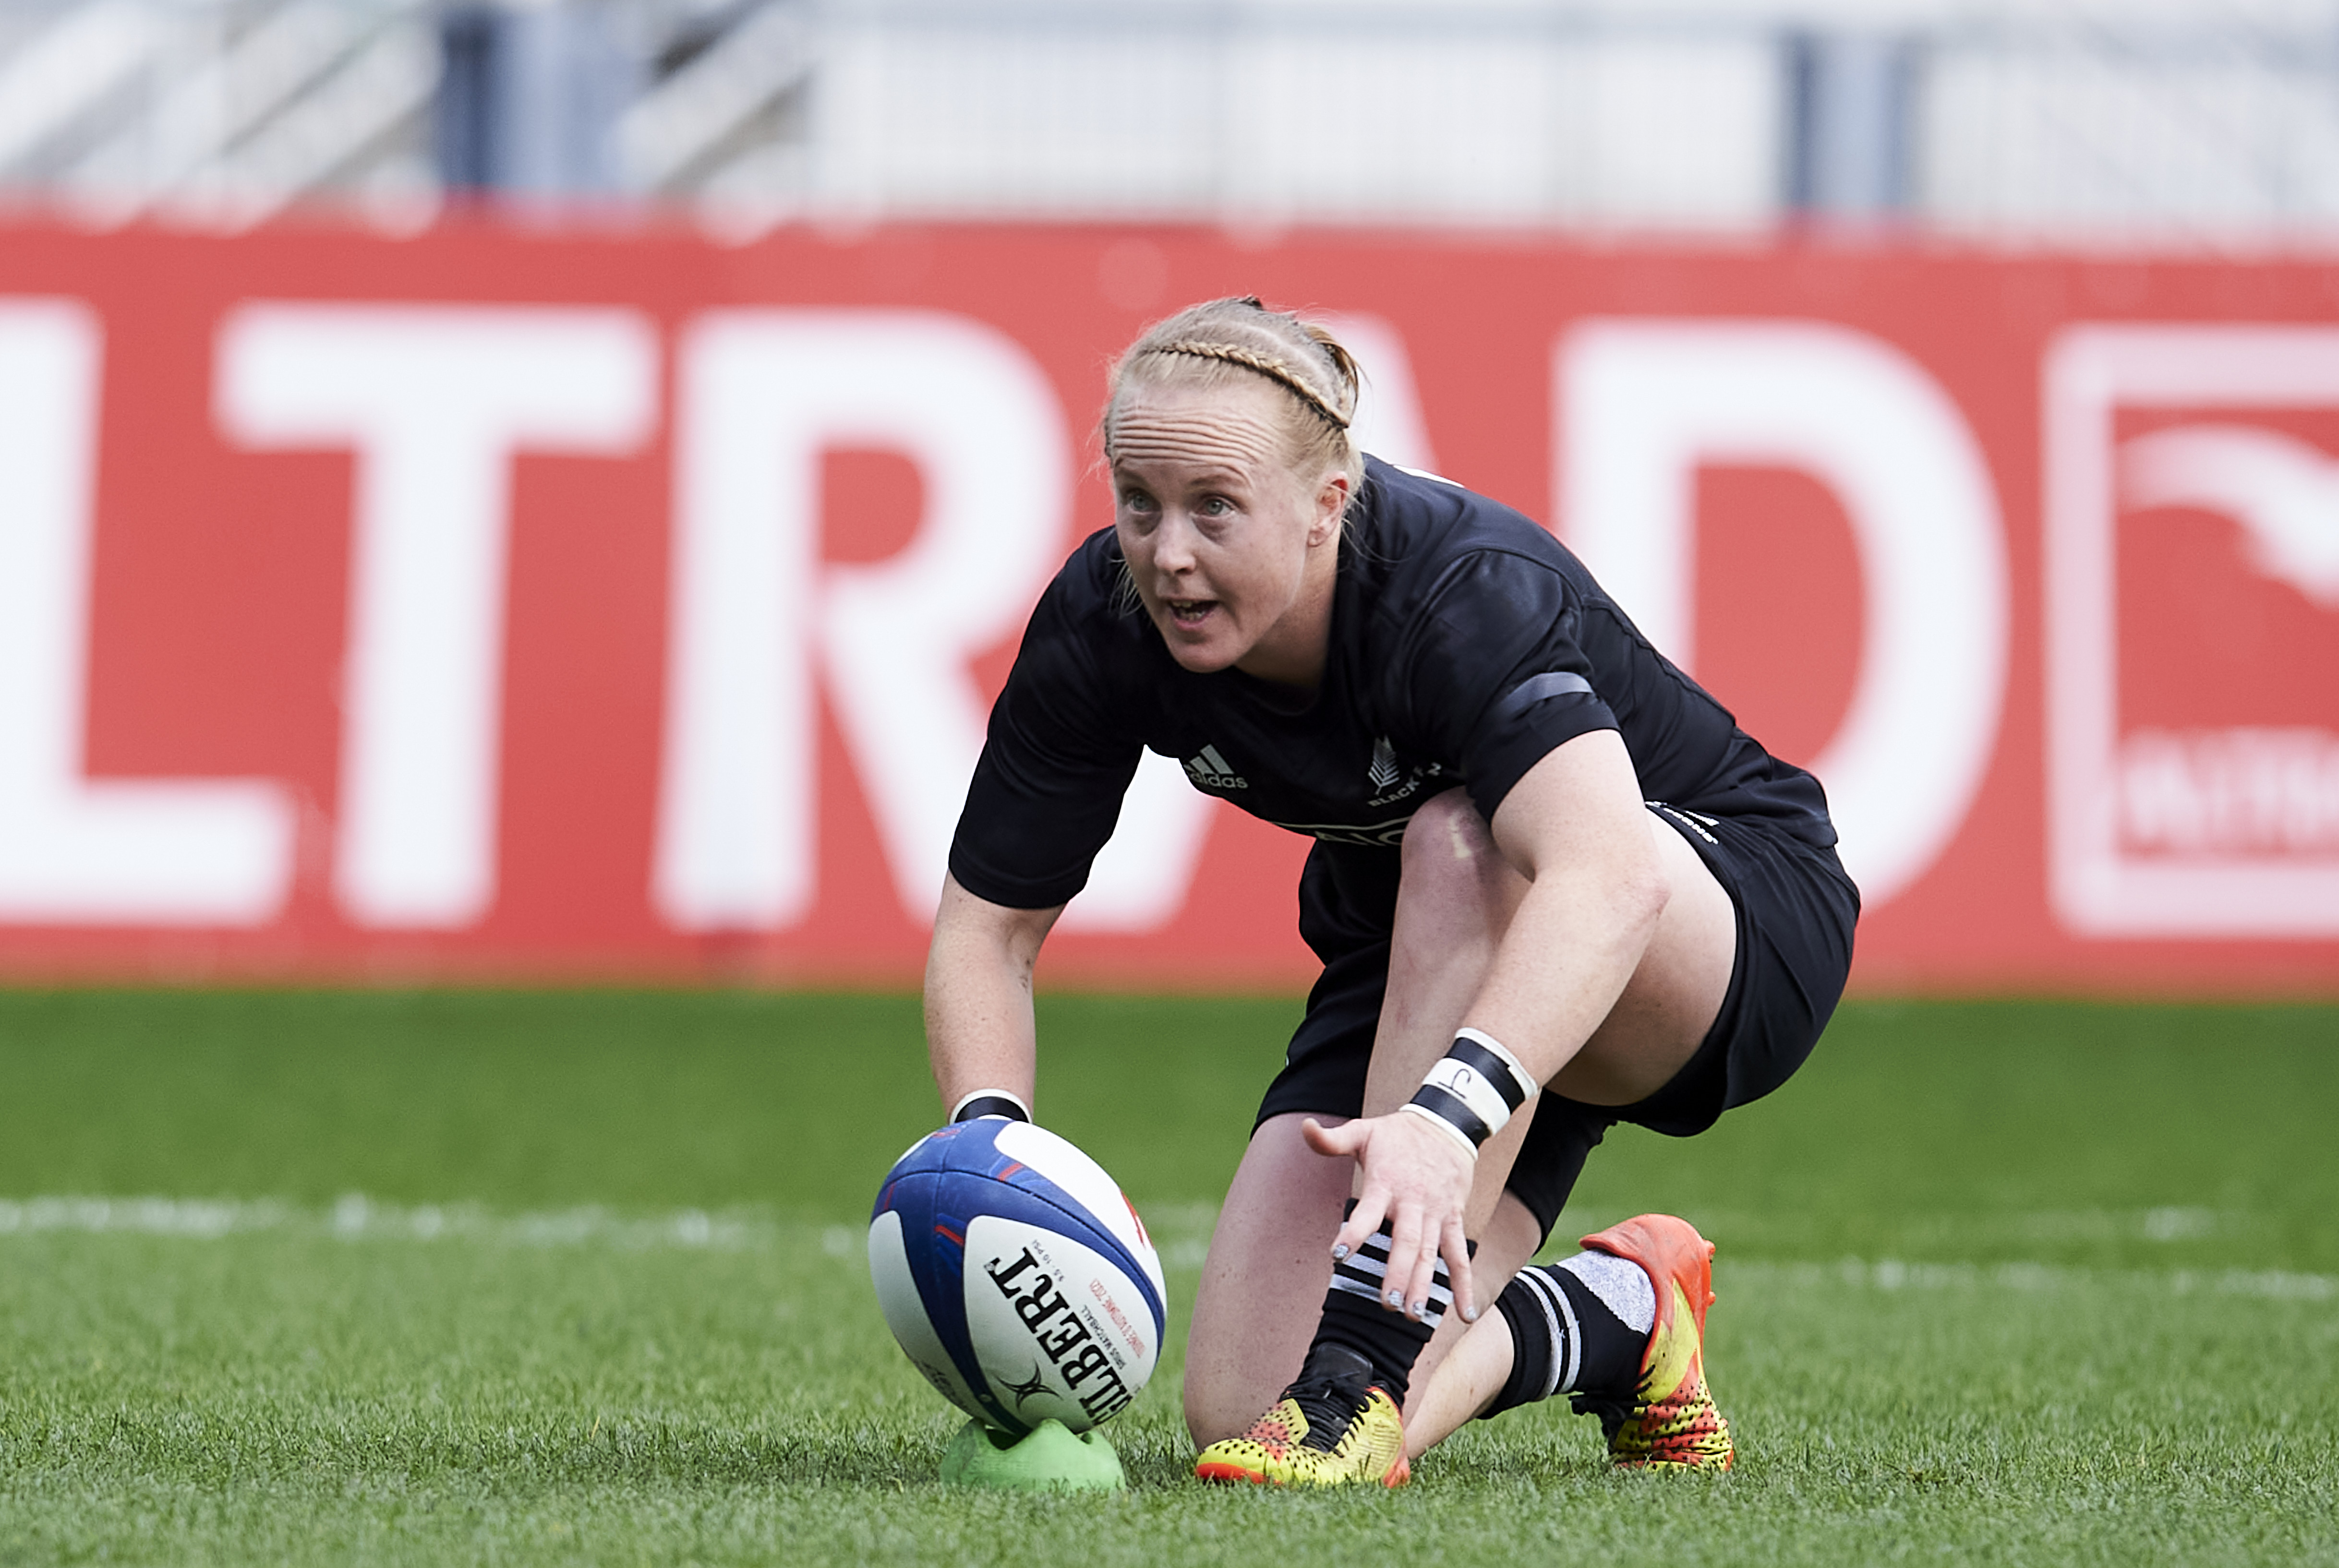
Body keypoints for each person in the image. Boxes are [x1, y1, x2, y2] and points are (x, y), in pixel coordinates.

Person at [925, 297, 1858, 1487]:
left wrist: (1441, 1118)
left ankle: (1356, 1376)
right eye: (1140, 501)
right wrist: (986, 1146)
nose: (1168, 553)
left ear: (1328, 505)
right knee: (1237, 1409)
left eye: (1216, 505)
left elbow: (1605, 871)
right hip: (1458, 948)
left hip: (1717, 914)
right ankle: (1624, 1313)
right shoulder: (1105, 619)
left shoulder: (1456, 589)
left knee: (1461, 829)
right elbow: (986, 930)